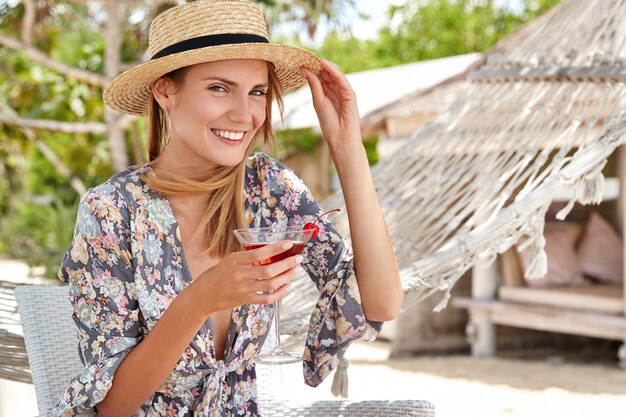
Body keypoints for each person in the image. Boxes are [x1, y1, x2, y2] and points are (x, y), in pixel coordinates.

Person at [52, 1, 403, 416]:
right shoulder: (112, 211)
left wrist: (348, 149)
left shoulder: (268, 189)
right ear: (165, 89)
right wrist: (197, 300)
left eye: (257, 92)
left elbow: (380, 303)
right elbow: (112, 406)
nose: (244, 114)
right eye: (219, 88)